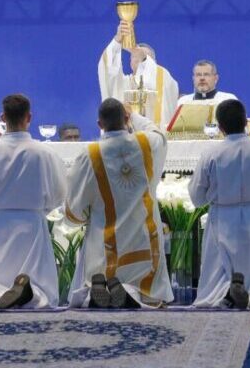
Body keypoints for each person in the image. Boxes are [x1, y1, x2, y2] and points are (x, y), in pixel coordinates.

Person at [66, 99, 171, 308]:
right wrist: (135, 116)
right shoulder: (147, 143)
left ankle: (103, 288)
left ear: (99, 124)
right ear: (126, 119)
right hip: (144, 236)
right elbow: (158, 133)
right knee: (146, 286)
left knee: (100, 263)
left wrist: (80, 216)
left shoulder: (91, 153)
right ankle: (137, 293)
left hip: (106, 237)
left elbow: (75, 208)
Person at [0, 94, 65, 309]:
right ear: (29, 117)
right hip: (32, 225)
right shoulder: (44, 152)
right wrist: (40, 211)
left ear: (2, 118)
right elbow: (59, 192)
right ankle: (29, 293)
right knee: (38, 285)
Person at [190, 99, 250, 309]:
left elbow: (197, 197)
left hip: (222, 219)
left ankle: (228, 292)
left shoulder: (211, 154)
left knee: (220, 272)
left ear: (220, 126)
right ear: (245, 121)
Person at [98, 21, 179, 128]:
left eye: (145, 57)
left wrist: (144, 59)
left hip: (154, 139)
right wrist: (117, 40)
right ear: (130, 62)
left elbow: (165, 84)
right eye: (134, 55)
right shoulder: (123, 84)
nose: (139, 58)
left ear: (153, 62)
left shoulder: (163, 78)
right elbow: (108, 72)